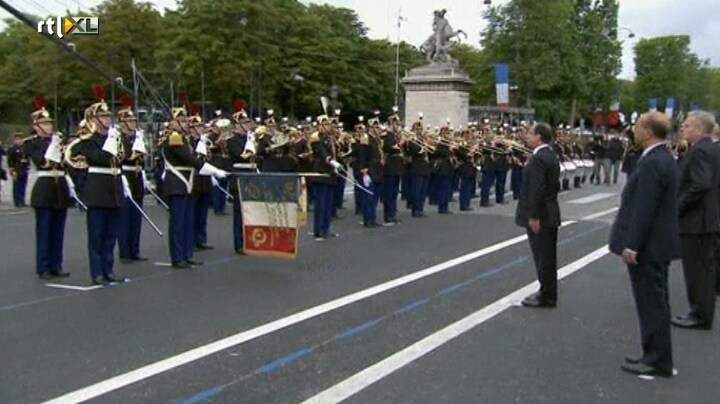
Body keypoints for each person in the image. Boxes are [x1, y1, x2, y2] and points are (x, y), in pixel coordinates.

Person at [609, 111, 680, 377]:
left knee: (651, 303)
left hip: (649, 245)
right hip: (658, 243)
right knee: (656, 301)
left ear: (649, 132)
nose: (634, 130)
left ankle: (656, 359)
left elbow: (644, 207)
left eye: (638, 126)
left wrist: (632, 245)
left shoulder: (653, 162)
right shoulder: (663, 157)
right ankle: (655, 354)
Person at [672, 111, 720, 330]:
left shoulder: (700, 150)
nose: (683, 128)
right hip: (706, 219)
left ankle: (700, 315)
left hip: (696, 220)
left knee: (697, 271)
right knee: (704, 270)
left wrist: (679, 205)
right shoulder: (711, 149)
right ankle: (701, 312)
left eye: (688, 125)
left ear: (700, 129)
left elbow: (701, 184)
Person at [23, 101, 71, 279]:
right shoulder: (31, 143)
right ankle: (43, 266)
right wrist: (53, 146)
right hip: (44, 187)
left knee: (58, 231)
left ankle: (56, 265)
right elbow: (42, 161)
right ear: (36, 126)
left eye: (49, 123)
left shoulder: (58, 141)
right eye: (44, 123)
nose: (49, 126)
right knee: (44, 231)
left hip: (60, 187)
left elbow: (67, 163)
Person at [515, 123, 560, 308]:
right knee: (546, 256)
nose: (527, 136)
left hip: (541, 215)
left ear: (539, 137)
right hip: (550, 211)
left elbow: (536, 189)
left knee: (543, 257)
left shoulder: (538, 159)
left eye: (530, 134)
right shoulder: (550, 155)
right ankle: (546, 291)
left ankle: (547, 295)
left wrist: (533, 216)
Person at [117, 99, 149, 264]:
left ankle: (135, 249)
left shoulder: (137, 138)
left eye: (134, 121)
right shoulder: (119, 139)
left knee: (136, 217)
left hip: (137, 177)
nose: (133, 124)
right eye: (129, 121)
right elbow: (127, 157)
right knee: (125, 217)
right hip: (125, 176)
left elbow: (143, 158)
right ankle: (125, 251)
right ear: (122, 123)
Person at [8, 133, 30, 207]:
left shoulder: (24, 148)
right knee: (17, 186)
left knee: (23, 186)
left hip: (24, 169)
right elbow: (10, 160)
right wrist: (12, 169)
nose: (19, 141)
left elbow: (27, 157)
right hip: (16, 168)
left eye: (20, 139)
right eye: (17, 139)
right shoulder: (12, 149)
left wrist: (27, 165)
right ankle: (17, 201)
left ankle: (22, 201)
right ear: (15, 140)